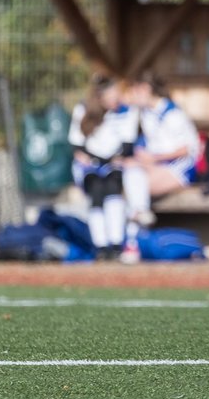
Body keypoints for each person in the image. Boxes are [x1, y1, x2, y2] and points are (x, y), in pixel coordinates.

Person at [121, 71, 200, 262]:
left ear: (146, 89)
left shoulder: (172, 113)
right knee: (131, 173)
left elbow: (185, 150)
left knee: (134, 184)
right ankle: (139, 222)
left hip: (180, 169)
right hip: (157, 166)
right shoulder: (146, 113)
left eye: (136, 90)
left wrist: (153, 158)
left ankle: (133, 242)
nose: (133, 94)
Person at [67, 74, 138, 260]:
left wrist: (118, 158)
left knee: (113, 188)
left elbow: (127, 144)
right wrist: (86, 158)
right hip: (90, 164)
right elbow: (77, 144)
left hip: (114, 163)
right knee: (96, 190)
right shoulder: (83, 110)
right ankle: (101, 246)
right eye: (112, 93)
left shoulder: (126, 112)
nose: (116, 97)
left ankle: (115, 244)